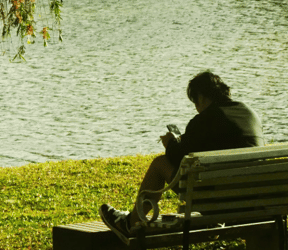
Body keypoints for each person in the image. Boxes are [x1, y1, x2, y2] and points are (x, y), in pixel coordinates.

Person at [100, 71, 263, 238]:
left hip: (219, 202)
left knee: (159, 164)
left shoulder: (204, 120)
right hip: (255, 198)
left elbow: (178, 158)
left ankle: (130, 223)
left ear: (200, 97)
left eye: (195, 102)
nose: (196, 107)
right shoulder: (250, 114)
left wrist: (170, 143)